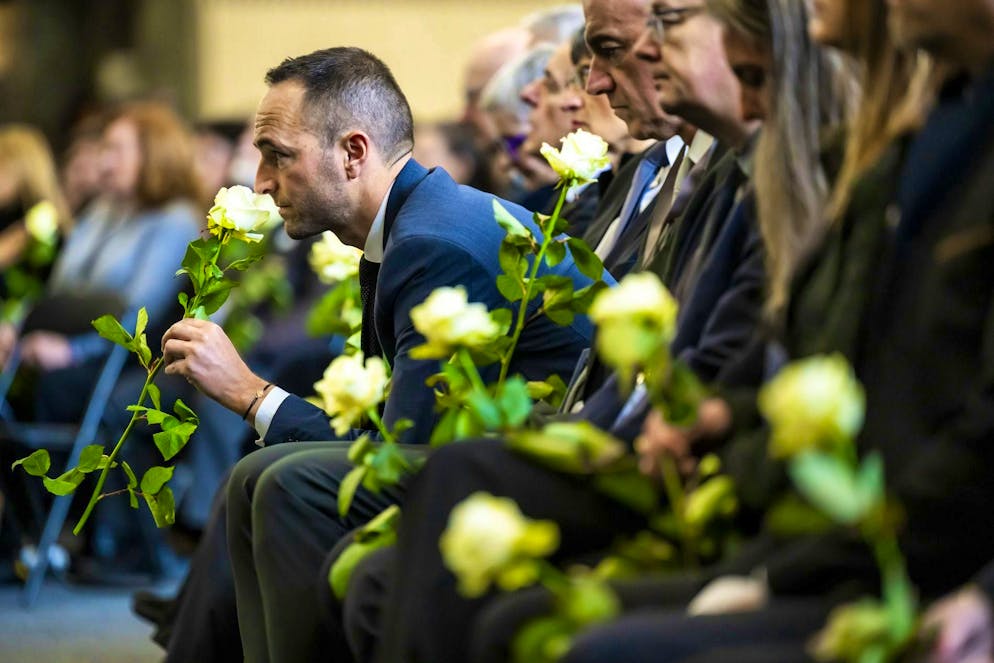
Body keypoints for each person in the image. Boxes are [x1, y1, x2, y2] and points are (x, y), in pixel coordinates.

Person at [158, 46, 598, 663]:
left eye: (278, 155)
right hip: (492, 455)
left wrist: (252, 395)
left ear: (353, 153)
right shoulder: (414, 223)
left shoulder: (431, 242)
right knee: (256, 475)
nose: (260, 181)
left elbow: (399, 453)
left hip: (558, 479)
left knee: (284, 482)